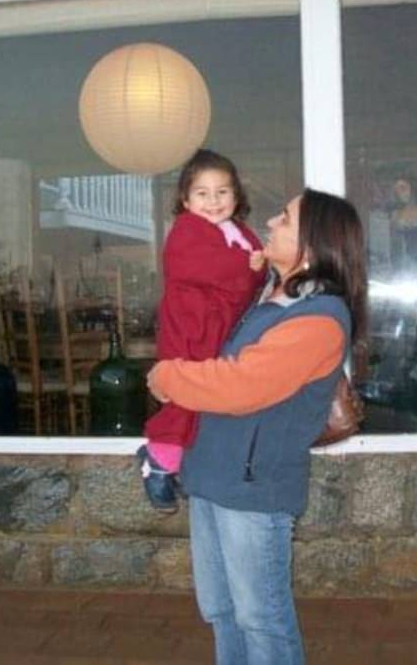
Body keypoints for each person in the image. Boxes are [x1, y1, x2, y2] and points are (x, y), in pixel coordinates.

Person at [147, 188, 368, 664]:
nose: (269, 222)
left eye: (284, 218)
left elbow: (239, 385)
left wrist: (168, 376)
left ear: (311, 244)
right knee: (222, 611)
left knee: (261, 619)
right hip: (211, 477)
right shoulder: (268, 295)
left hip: (253, 488)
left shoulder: (320, 317)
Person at [137, 149, 266, 513]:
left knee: (206, 396)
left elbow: (254, 272)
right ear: (185, 199)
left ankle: (177, 459)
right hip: (190, 327)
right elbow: (220, 271)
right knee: (183, 392)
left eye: (222, 192)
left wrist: (257, 267)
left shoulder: (240, 232)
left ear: (236, 195)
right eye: (202, 193)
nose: (213, 201)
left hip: (216, 328)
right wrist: (251, 268)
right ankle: (158, 460)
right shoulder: (187, 231)